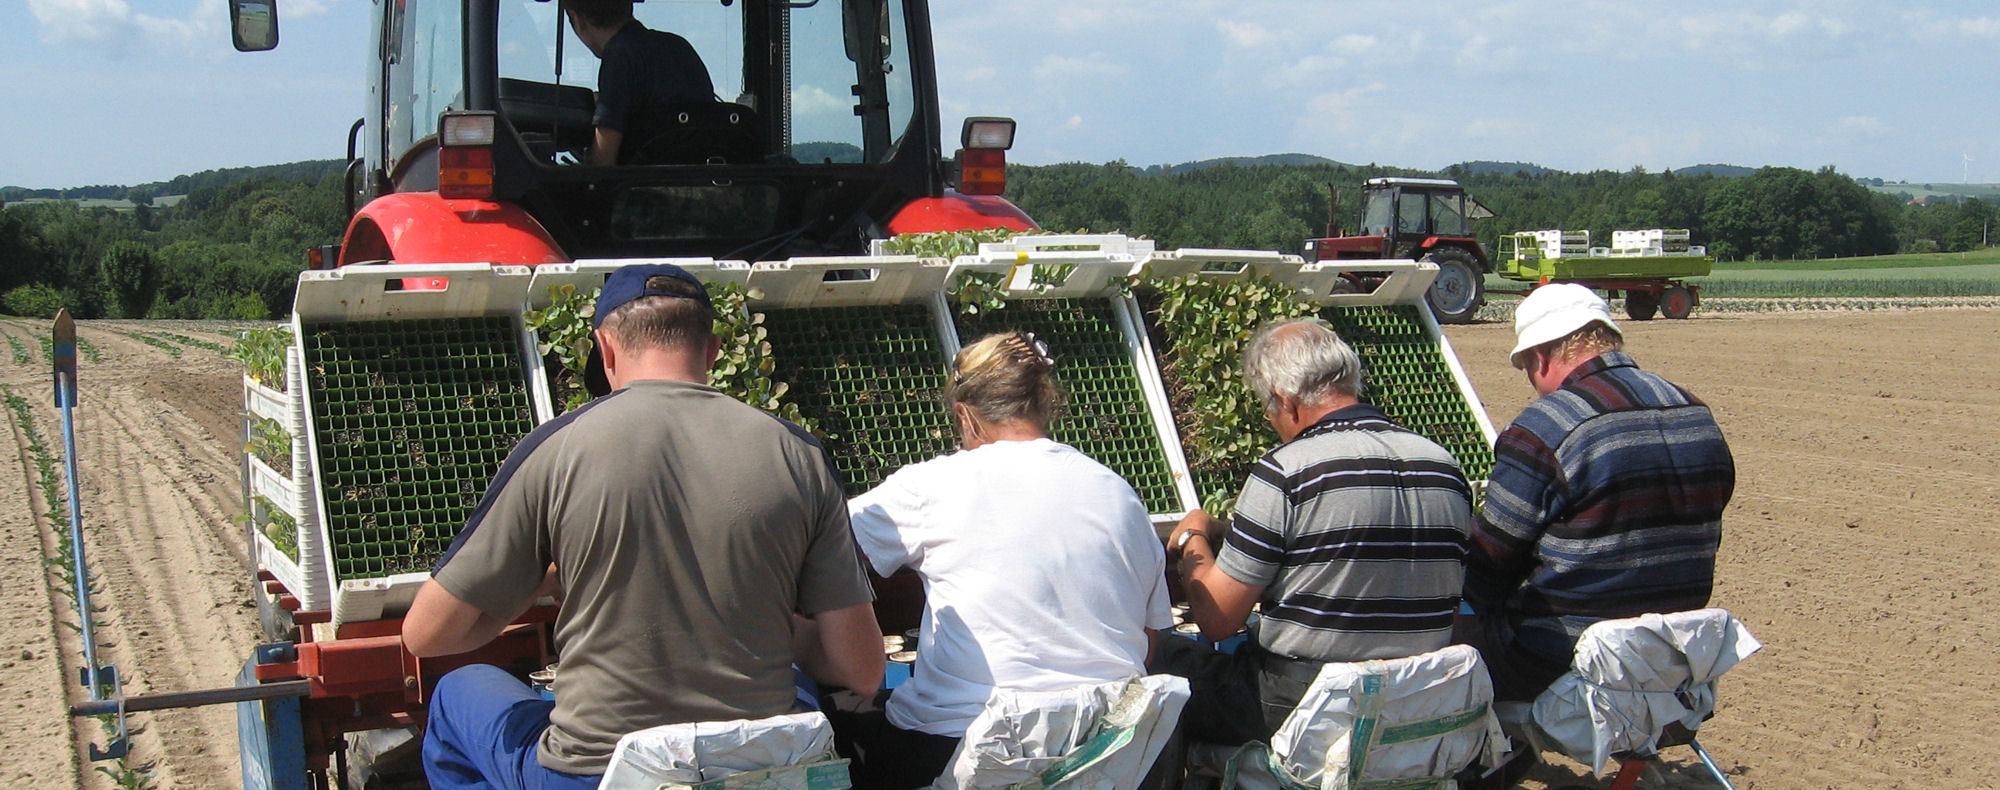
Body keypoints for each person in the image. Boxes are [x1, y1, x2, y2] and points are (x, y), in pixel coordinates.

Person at [404, 264, 885, 789]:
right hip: (759, 769)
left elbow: (426, 634)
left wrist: (536, 586)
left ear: (606, 349)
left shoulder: (556, 448)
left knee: (460, 690)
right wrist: (767, 622)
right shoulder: (799, 453)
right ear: (713, 352)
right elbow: (861, 669)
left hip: (596, 772)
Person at [833, 331, 1173, 789]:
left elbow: (823, 552)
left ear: (964, 415)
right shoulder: (1118, 492)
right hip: (1106, 757)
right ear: (1043, 400)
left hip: (960, 748)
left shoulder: (932, 486)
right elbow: (1147, 644)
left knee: (841, 718)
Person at [1156, 318, 1474, 747]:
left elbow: (1216, 620)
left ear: (1285, 401)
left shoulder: (1288, 471)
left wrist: (1195, 535)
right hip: (1420, 703)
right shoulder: (1443, 466)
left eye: (1268, 408)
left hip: (1306, 709)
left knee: (1168, 666)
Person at [1460, 283, 1735, 702]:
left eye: (1528, 371)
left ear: (1542, 356)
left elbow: (1489, 561)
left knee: (1438, 635)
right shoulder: (1694, 410)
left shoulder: (1547, 427)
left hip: (1565, 661)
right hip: (1675, 658)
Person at [562, 0, 716, 165]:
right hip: (702, 181)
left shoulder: (619, 55)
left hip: (647, 186)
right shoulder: (679, 46)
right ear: (629, 6)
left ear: (577, 18)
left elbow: (604, 161)